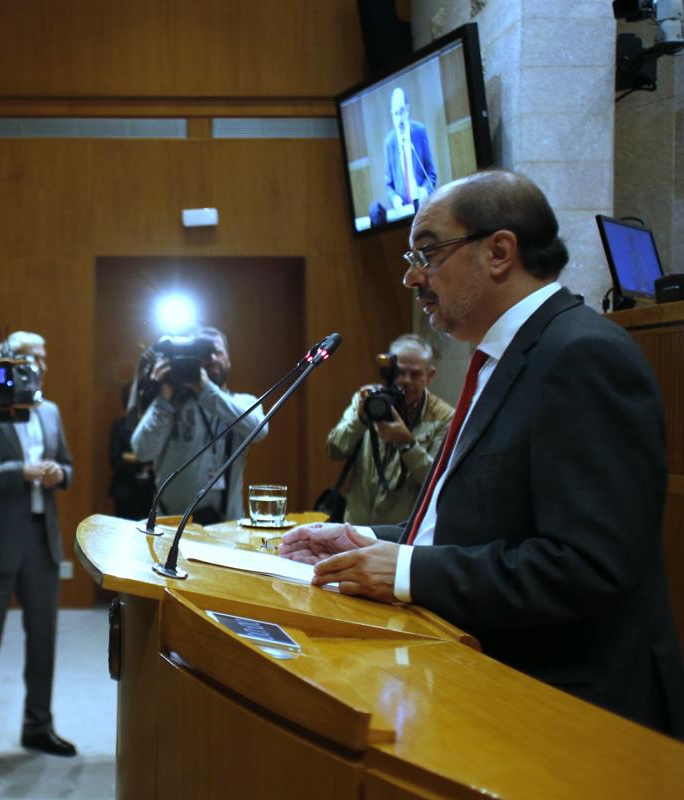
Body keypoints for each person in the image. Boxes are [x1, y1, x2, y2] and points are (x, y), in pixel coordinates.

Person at [278, 169, 684, 735]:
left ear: (498, 252)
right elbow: (482, 520)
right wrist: (369, 540)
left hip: (572, 714)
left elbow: (588, 568)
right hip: (486, 685)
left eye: (428, 252)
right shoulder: (501, 358)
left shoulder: (583, 357)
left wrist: (408, 570)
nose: (412, 278)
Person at [0, 331, 77, 757]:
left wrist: (59, 474)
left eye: (45, 355)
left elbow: (68, 465)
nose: (42, 364)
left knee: (43, 641)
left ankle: (38, 725)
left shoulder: (50, 411)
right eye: (33, 356)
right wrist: (24, 471)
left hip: (42, 538)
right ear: (11, 361)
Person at [130, 326, 268, 523]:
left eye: (218, 352)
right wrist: (163, 398)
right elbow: (142, 451)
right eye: (204, 353)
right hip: (170, 526)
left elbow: (260, 430)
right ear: (189, 358)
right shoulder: (169, 405)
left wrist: (206, 389)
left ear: (229, 359)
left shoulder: (243, 402)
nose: (212, 359)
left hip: (226, 527)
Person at [324, 334, 453, 525]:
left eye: (415, 374)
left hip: (401, 534)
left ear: (430, 375)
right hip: (356, 527)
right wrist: (360, 420)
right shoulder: (368, 400)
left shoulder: (444, 417)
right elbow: (333, 450)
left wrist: (408, 445)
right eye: (400, 372)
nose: (406, 381)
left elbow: (437, 483)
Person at [384, 87, 437, 212]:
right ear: (392, 114)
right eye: (395, 114)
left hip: (423, 207)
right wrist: (394, 199)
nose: (399, 119)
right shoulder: (389, 142)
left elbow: (431, 174)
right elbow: (388, 185)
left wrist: (425, 190)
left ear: (407, 109)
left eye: (401, 111)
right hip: (403, 210)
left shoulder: (419, 131)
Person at [108, 381, 155, 519]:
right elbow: (116, 460)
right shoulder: (119, 426)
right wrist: (144, 460)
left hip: (151, 492)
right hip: (126, 492)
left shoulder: (154, 426)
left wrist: (131, 457)